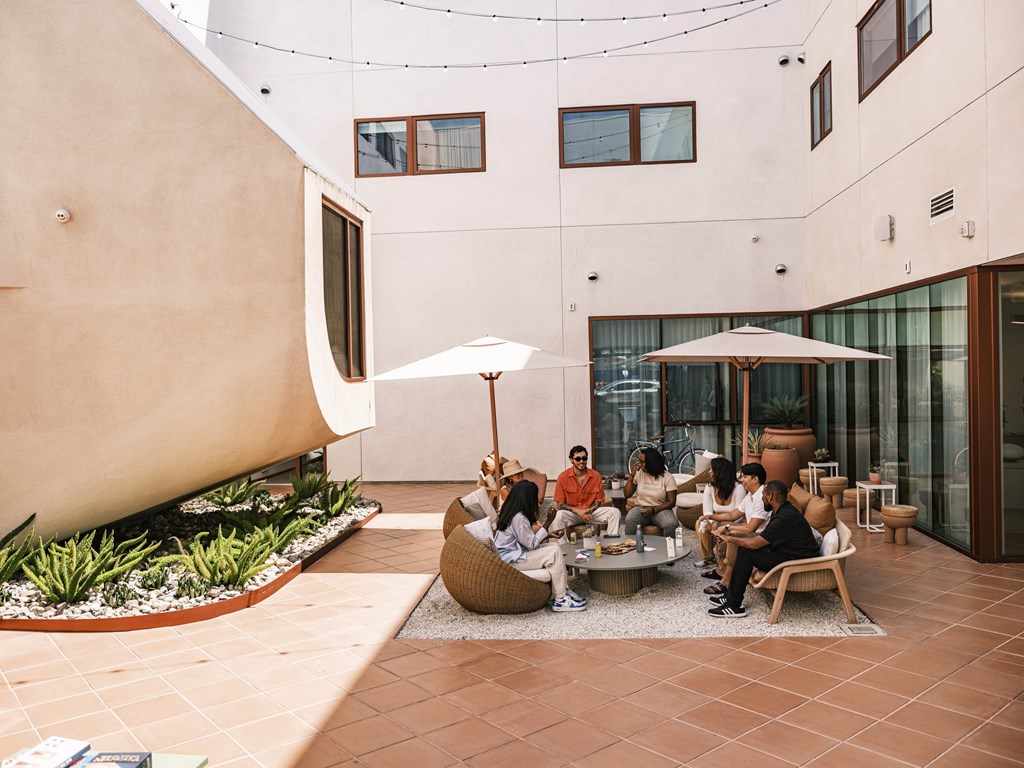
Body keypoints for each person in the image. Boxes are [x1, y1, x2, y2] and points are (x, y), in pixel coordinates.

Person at [707, 480, 821, 618]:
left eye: (763, 495)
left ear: (770, 497)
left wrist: (730, 539)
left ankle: (734, 606)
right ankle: (731, 596)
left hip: (796, 560)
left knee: (746, 554)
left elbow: (754, 544)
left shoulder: (784, 517)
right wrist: (731, 535)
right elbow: (762, 536)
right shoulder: (782, 510)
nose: (761, 498)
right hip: (786, 553)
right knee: (744, 549)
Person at [493, 480, 587, 612]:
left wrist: (548, 535)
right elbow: (531, 545)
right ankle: (560, 600)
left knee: (554, 547)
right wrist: (548, 521)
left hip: (514, 554)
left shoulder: (513, 513)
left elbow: (526, 540)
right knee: (553, 553)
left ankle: (563, 592)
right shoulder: (518, 518)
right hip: (511, 561)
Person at [702, 462, 769, 595]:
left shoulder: (762, 497)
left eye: (744, 477)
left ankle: (726, 581)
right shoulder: (750, 495)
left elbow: (750, 528)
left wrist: (727, 529)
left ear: (755, 479)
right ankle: (721, 568)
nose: (741, 480)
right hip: (754, 532)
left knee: (733, 535)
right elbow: (733, 515)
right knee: (722, 527)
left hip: (762, 537)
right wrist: (711, 517)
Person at [552, 446, 622, 536]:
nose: (581, 461)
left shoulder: (596, 476)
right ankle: (562, 547)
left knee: (615, 512)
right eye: (578, 459)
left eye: (584, 458)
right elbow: (560, 504)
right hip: (572, 514)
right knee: (558, 516)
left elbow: (598, 501)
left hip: (591, 513)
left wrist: (589, 510)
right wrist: (578, 511)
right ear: (571, 459)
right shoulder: (563, 477)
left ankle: (612, 544)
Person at [694, 457, 747, 567]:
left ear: (720, 472)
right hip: (716, 519)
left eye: (711, 469)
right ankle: (708, 558)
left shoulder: (739, 488)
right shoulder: (710, 487)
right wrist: (710, 522)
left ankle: (723, 559)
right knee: (700, 523)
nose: (709, 472)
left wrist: (719, 524)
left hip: (736, 521)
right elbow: (707, 511)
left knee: (717, 526)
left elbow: (738, 516)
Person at [623, 447, 679, 539]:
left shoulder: (667, 477)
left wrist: (653, 510)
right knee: (630, 521)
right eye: (639, 461)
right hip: (641, 508)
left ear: (652, 462)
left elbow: (672, 502)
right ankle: (632, 550)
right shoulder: (639, 473)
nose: (639, 465)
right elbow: (627, 494)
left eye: (643, 462)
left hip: (661, 509)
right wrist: (632, 475)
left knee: (671, 524)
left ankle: (668, 551)